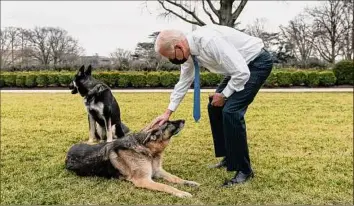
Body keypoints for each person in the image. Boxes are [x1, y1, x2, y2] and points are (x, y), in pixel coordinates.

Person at [149, 24, 273, 187]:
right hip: (237, 69)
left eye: (171, 57)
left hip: (256, 64)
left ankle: (244, 170)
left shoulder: (209, 41)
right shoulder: (187, 54)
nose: (173, 61)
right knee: (215, 107)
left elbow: (242, 72)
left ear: (179, 46)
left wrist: (224, 95)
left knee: (231, 111)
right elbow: (184, 81)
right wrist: (167, 113)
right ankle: (229, 156)